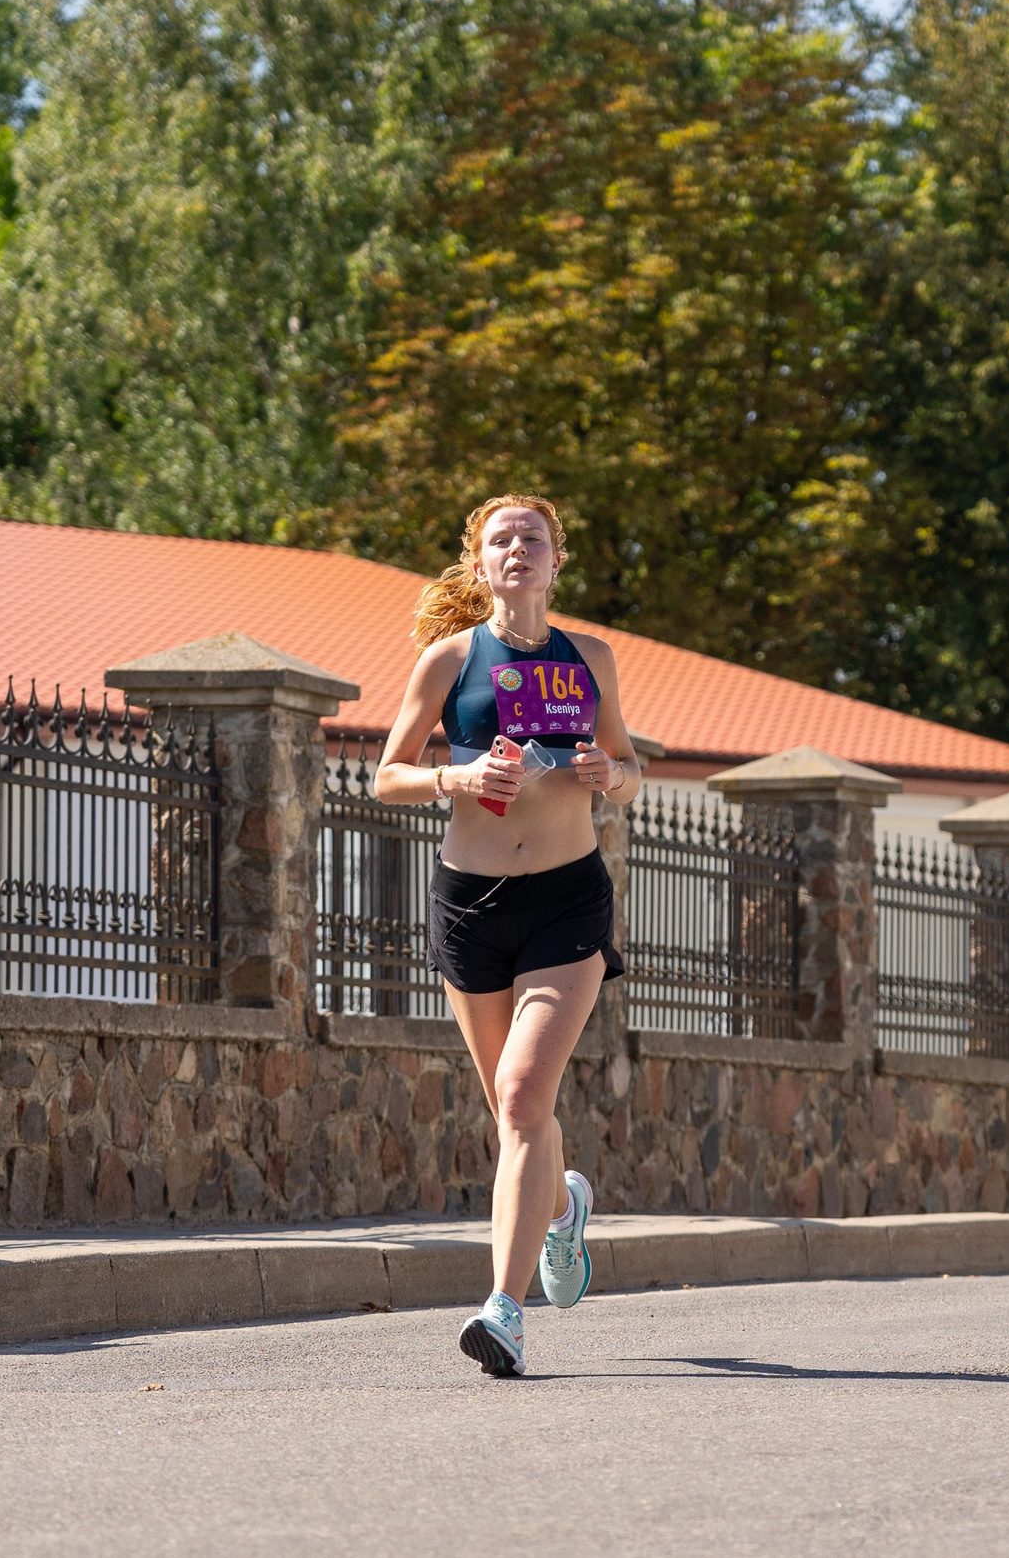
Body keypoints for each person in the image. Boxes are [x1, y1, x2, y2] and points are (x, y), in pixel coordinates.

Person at [373, 495, 642, 1376]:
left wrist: (611, 772)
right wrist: (459, 774)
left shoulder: (590, 657)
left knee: (526, 1096)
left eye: (532, 537)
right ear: (480, 564)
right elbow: (386, 777)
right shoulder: (451, 660)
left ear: (555, 560)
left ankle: (504, 1311)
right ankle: (562, 1209)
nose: (516, 549)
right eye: (501, 540)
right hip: (472, 905)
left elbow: (630, 768)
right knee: (513, 1109)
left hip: (567, 902)